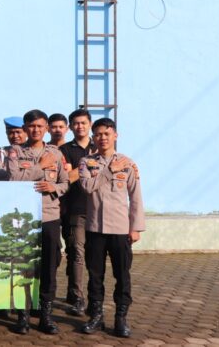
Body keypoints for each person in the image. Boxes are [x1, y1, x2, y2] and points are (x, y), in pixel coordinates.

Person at [78, 117, 144, 338]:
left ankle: (121, 319)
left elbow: (135, 198)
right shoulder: (86, 162)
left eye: (107, 134)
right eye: (98, 134)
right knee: (95, 275)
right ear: (93, 137)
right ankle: (95, 317)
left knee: (122, 276)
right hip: (95, 229)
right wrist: (108, 171)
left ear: (115, 135)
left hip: (120, 230)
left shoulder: (128, 163)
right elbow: (88, 187)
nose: (102, 138)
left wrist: (136, 228)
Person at [6, 110, 69, 335]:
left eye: (40, 126)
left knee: (49, 267)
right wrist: (40, 166)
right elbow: (14, 179)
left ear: (46, 128)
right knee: (24, 267)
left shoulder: (56, 154)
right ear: (25, 128)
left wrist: (55, 188)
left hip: (50, 216)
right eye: (31, 126)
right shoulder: (14, 153)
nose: (36, 130)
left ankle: (45, 315)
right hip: (23, 219)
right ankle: (22, 316)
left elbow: (65, 183)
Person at [58, 109, 97, 317]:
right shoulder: (64, 150)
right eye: (75, 123)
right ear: (70, 127)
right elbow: (67, 176)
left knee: (95, 256)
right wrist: (89, 165)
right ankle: (78, 297)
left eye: (83, 122)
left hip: (99, 211)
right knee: (77, 254)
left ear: (90, 124)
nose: (80, 126)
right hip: (76, 210)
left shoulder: (100, 146)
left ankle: (94, 298)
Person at [0, 117, 26, 181]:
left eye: (18, 132)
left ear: (26, 132)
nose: (15, 136)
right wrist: (22, 175)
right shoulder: (0, 153)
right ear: (6, 134)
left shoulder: (32, 151)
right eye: (11, 133)